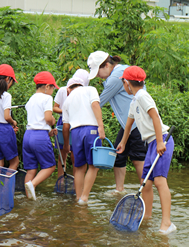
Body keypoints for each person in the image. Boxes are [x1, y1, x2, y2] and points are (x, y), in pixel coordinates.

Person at [116, 66, 176, 235]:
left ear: (127, 83)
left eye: (123, 82)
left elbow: (155, 117)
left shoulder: (142, 96)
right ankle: (147, 218)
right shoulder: (134, 100)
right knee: (145, 183)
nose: (123, 86)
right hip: (151, 143)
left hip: (162, 140)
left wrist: (159, 143)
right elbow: (128, 125)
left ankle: (167, 223)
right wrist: (122, 142)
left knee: (159, 181)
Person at [87, 51, 147, 194]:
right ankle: (119, 190)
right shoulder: (120, 70)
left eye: (98, 71)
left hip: (138, 123)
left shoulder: (116, 77)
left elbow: (98, 102)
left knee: (138, 158)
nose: (98, 76)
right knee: (118, 154)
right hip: (128, 124)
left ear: (106, 65)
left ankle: (145, 190)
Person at [62, 76, 105, 204]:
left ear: (69, 89)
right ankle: (85, 197)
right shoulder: (90, 89)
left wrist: (66, 144)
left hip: (75, 132)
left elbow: (65, 127)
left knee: (79, 167)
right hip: (91, 129)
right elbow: (95, 105)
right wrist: (101, 126)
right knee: (93, 165)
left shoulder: (67, 101)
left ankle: (78, 197)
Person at [23, 71, 58, 201]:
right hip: (39, 137)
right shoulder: (47, 98)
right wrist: (53, 122)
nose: (53, 91)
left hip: (28, 135)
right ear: (47, 86)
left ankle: (29, 199)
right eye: (53, 87)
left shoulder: (31, 99)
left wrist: (48, 131)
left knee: (31, 169)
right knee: (50, 166)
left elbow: (36, 121)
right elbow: (48, 118)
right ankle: (32, 184)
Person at [53, 69, 89, 177]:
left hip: (76, 124)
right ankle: (61, 179)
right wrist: (67, 111)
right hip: (63, 122)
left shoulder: (85, 93)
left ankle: (75, 179)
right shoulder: (63, 90)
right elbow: (55, 108)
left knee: (75, 154)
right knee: (62, 152)